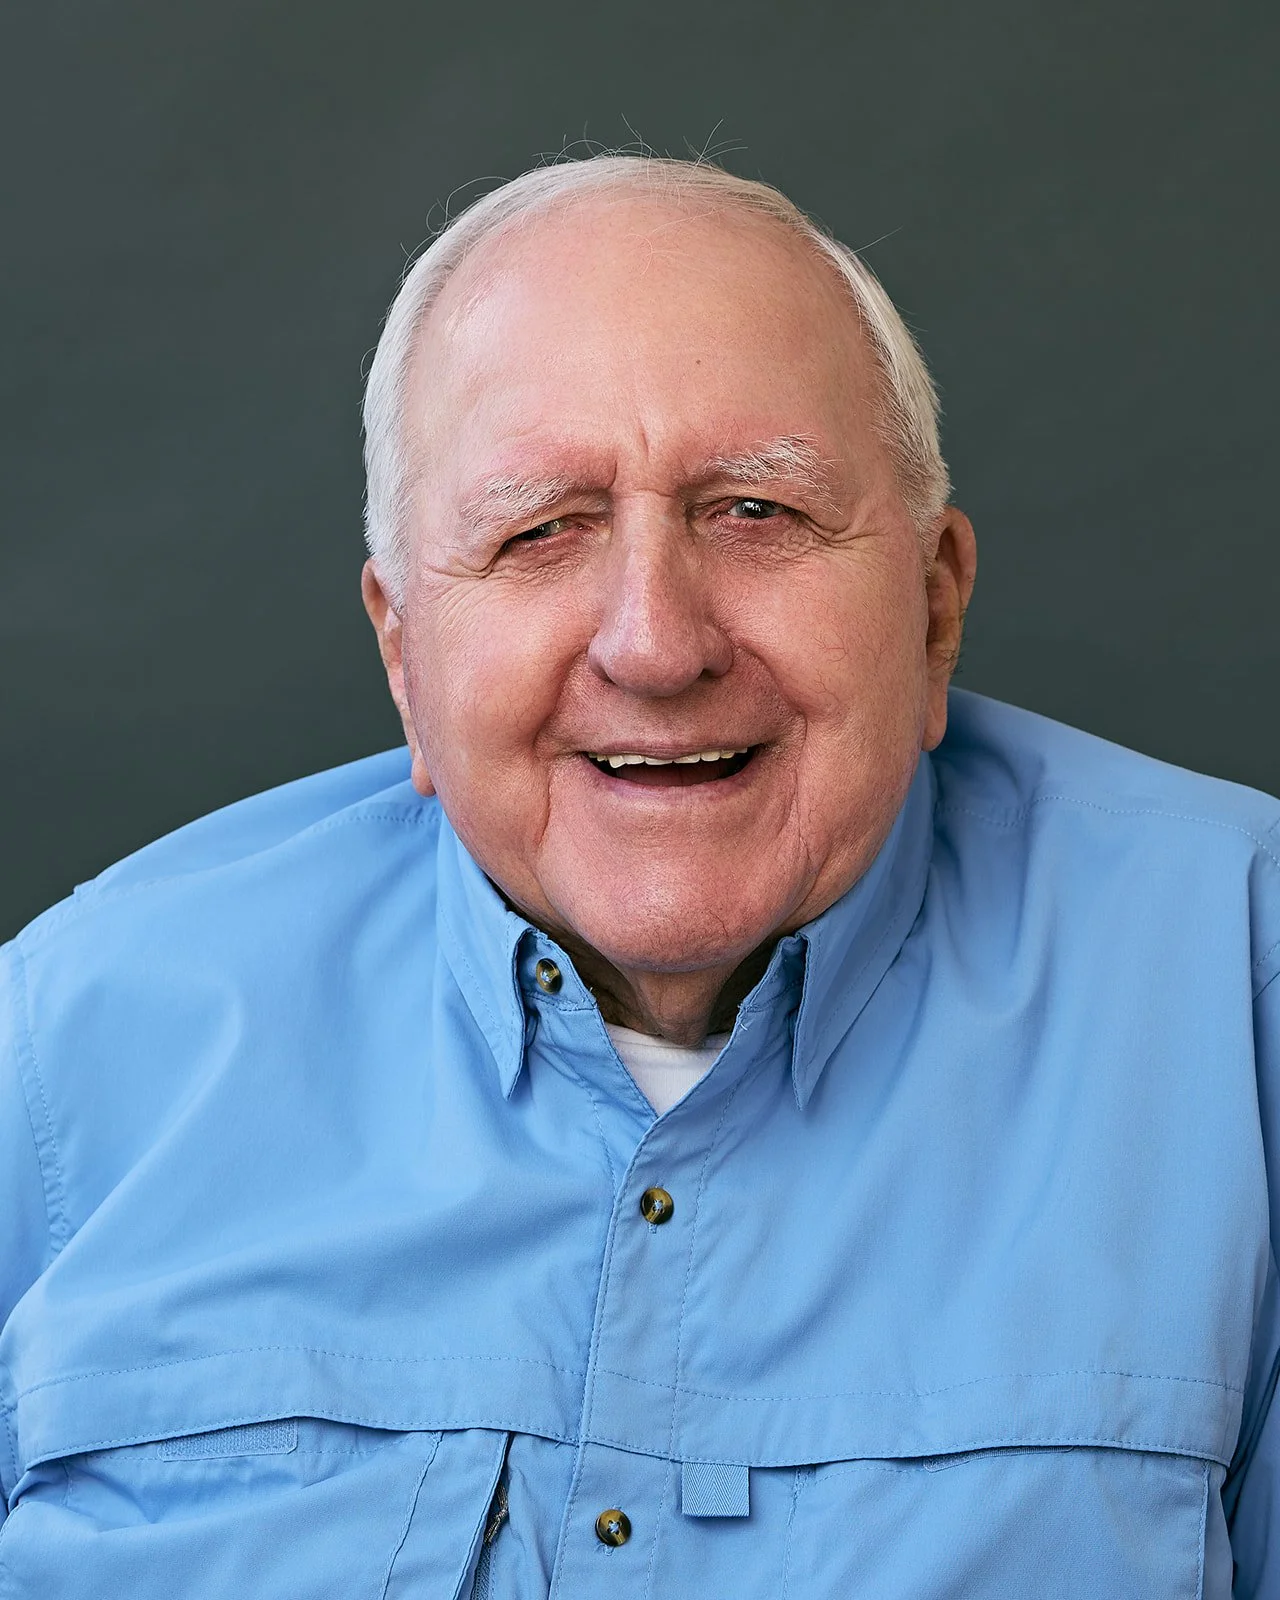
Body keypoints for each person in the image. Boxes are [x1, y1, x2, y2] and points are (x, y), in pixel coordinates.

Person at [1, 153, 1277, 1599]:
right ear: (404, 653)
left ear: (934, 608)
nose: (657, 645)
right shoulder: (64, 1049)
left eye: (756, 513)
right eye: (540, 531)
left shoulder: (1248, 995)